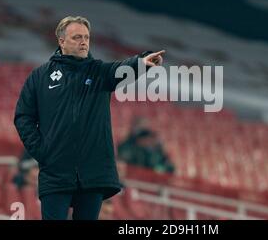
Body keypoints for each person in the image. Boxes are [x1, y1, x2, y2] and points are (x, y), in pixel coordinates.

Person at [14, 16, 165, 220]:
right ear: (61, 41)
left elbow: (120, 70)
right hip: (56, 173)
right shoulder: (39, 77)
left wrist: (143, 62)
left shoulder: (99, 72)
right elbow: (23, 117)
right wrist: (42, 151)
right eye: (77, 37)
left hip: (93, 173)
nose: (84, 41)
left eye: (86, 37)